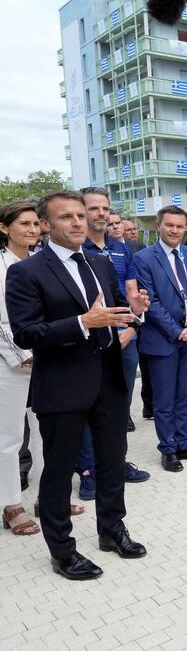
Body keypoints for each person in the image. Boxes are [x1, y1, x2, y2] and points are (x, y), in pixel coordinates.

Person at [5, 190, 149, 579]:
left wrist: (132, 315)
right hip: (63, 384)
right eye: (66, 217)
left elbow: (115, 309)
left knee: (110, 461)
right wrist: (85, 323)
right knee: (58, 470)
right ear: (47, 225)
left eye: (81, 216)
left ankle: (112, 530)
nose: (77, 223)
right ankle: (62, 550)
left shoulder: (101, 263)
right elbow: (25, 333)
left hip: (109, 379)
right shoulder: (26, 272)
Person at [78, 187, 149, 496]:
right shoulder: (75, 250)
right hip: (88, 340)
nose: (101, 214)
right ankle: (89, 470)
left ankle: (117, 462)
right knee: (87, 407)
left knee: (118, 405)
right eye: (94, 208)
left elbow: (131, 295)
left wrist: (131, 327)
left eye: (105, 208)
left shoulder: (121, 249)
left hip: (125, 336)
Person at [133, 206, 187, 472]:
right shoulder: (144, 258)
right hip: (163, 339)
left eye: (179, 226)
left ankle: (183, 442)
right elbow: (151, 302)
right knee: (165, 399)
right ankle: (167, 448)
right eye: (169, 225)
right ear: (159, 225)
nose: (175, 230)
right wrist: (178, 330)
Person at [1, 200, 43, 537]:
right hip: (10, 363)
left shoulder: (43, 263)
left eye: (35, 224)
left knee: (46, 431)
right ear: (4, 228)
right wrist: (21, 355)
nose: (32, 230)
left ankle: (47, 497)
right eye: (24, 224)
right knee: (11, 436)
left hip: (48, 359)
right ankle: (11, 504)